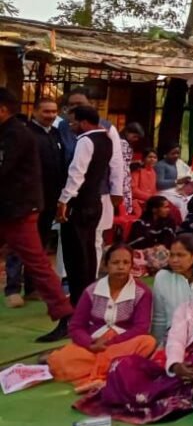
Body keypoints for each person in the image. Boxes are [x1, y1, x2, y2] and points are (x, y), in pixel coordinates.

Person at [74, 255, 193, 424]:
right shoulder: (185, 308)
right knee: (121, 364)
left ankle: (147, 395)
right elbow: (175, 341)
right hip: (181, 367)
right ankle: (147, 393)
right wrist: (175, 366)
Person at [0, 88, 75, 341]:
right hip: (12, 208)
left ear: (2, 109)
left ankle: (65, 315)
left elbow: (4, 169)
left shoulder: (17, 135)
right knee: (37, 262)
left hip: (18, 210)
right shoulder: (14, 132)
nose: (51, 115)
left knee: (37, 263)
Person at [46, 244, 156, 393]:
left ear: (131, 265)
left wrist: (111, 342)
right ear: (105, 264)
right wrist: (90, 343)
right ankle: (109, 372)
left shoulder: (142, 292)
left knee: (147, 342)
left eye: (126, 263)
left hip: (122, 343)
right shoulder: (91, 291)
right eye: (115, 262)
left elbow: (141, 327)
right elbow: (76, 326)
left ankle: (96, 374)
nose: (121, 267)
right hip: (95, 344)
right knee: (60, 361)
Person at [5, 94, 65, 308]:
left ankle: (32, 288)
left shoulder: (56, 134)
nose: (50, 115)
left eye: (53, 111)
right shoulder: (24, 134)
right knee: (18, 246)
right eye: (46, 111)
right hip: (23, 201)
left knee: (39, 245)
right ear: (35, 111)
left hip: (48, 198)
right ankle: (13, 288)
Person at [58, 104, 116, 306]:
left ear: (83, 123)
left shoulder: (85, 140)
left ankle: (78, 298)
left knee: (75, 253)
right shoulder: (107, 139)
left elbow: (77, 173)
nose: (71, 126)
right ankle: (90, 293)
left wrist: (64, 200)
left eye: (73, 122)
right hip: (95, 201)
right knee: (89, 249)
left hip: (79, 203)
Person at [127, 195, 177, 274]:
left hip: (161, 251)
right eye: (165, 207)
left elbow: (169, 239)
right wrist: (151, 248)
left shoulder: (170, 222)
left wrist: (160, 246)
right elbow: (135, 242)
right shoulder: (139, 223)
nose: (168, 210)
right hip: (142, 252)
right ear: (154, 209)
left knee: (164, 254)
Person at [130, 148, 159, 214]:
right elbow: (134, 191)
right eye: (150, 157)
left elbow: (154, 190)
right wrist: (150, 197)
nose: (152, 159)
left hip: (150, 201)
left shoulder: (153, 172)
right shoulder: (137, 170)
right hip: (137, 201)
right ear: (144, 159)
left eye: (155, 157)